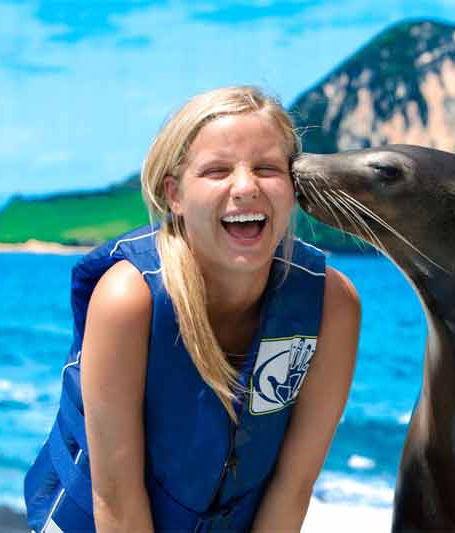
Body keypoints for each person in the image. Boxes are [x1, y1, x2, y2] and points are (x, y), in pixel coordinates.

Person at [23, 86, 361, 532]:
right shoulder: (130, 299)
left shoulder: (331, 305)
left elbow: (294, 484)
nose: (245, 187)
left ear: (293, 190)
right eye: (217, 171)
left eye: (267, 168)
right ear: (174, 195)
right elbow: (116, 497)